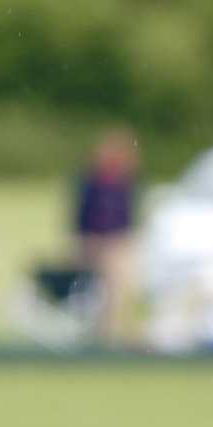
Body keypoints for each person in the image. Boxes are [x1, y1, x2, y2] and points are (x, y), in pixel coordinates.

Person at [72, 128, 139, 343]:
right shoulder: (92, 181)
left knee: (118, 286)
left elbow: (128, 213)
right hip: (95, 240)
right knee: (98, 287)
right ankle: (102, 330)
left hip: (116, 240)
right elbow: (82, 212)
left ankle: (114, 329)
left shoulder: (124, 182)